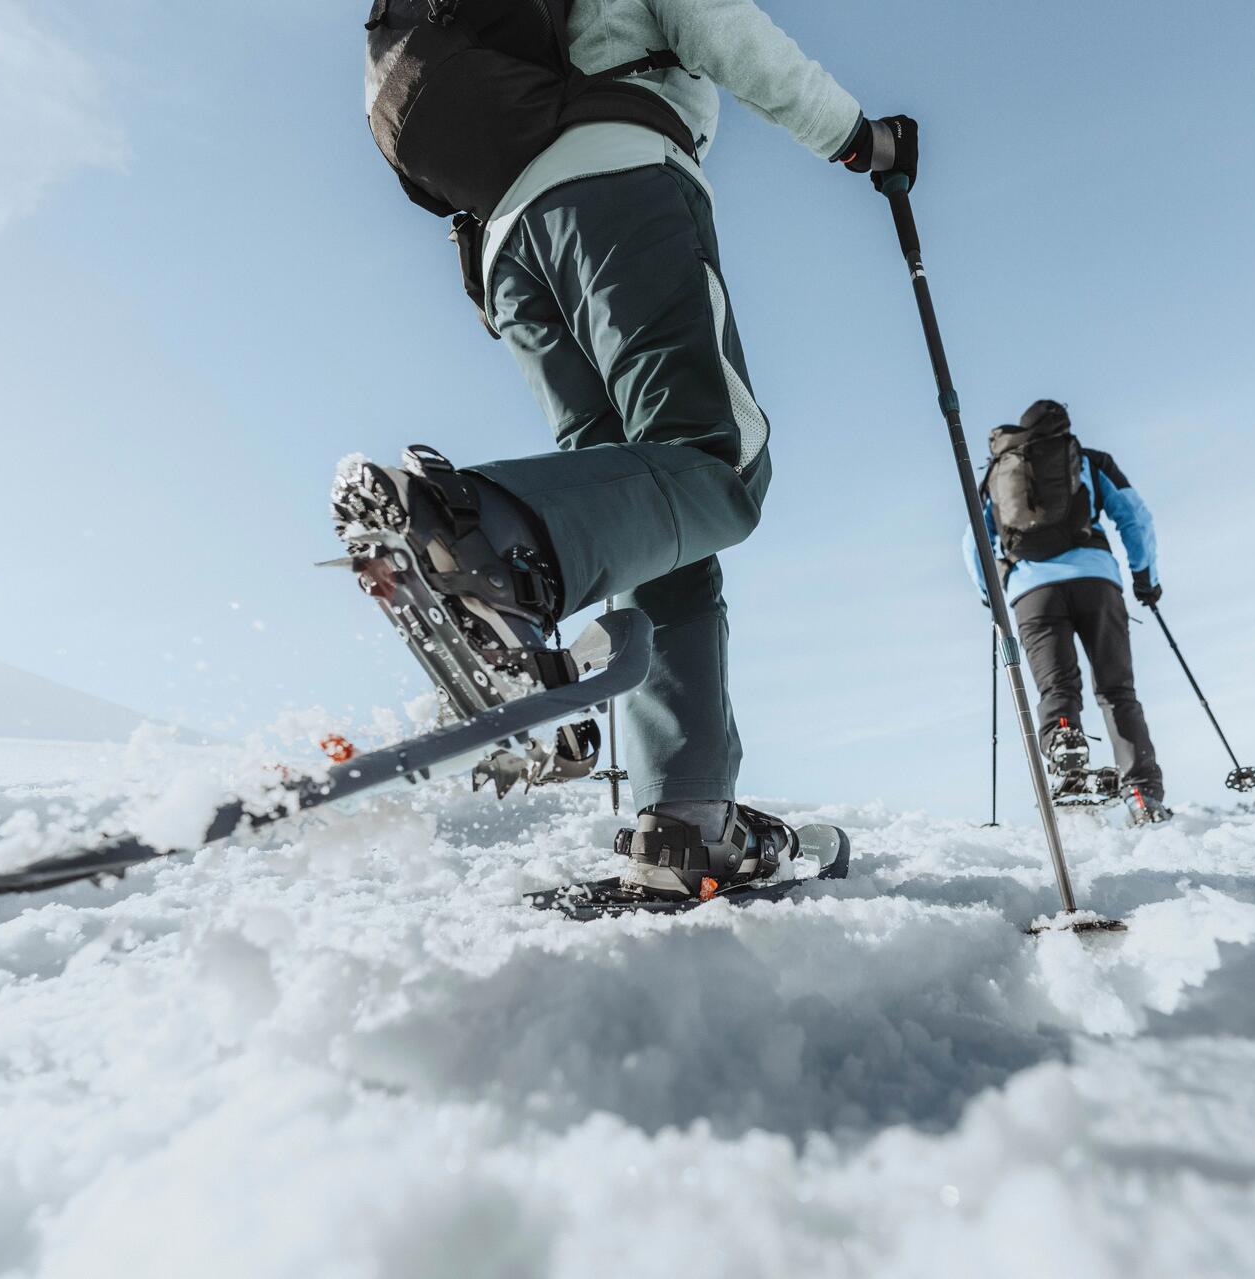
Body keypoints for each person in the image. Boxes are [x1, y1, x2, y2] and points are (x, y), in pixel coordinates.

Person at [339, 1, 916, 900]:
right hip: (613, 185)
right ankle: (482, 536)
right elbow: (723, 31)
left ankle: (685, 818)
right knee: (717, 467)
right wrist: (859, 138)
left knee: (650, 523)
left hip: (506, 250)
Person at [963, 399, 1171, 824]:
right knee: (1116, 690)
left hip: (1031, 592)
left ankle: (1063, 738)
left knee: (1056, 688)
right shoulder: (1091, 462)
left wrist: (993, 595)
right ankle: (1141, 794)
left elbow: (973, 541)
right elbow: (1135, 517)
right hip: (1096, 582)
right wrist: (1144, 578)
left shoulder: (1000, 473)